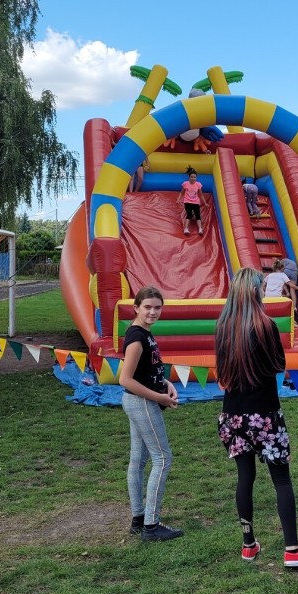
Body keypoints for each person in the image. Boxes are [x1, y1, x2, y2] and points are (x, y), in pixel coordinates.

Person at [214, 268, 298, 568]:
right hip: (264, 415)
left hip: (233, 416)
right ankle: (292, 549)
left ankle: (248, 544)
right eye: (262, 285)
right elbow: (278, 364)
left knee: (245, 478)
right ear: (254, 291)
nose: (266, 289)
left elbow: (221, 370)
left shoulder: (223, 326)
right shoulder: (265, 325)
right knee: (281, 480)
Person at [118, 286, 183, 542]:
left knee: (139, 461)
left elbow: (149, 369)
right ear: (136, 308)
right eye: (147, 307)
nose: (153, 312)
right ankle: (151, 525)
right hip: (141, 402)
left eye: (157, 307)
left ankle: (138, 518)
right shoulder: (137, 338)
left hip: (142, 401)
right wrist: (159, 398)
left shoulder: (145, 333)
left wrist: (166, 384)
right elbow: (125, 379)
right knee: (163, 459)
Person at [177, 166, 203, 235]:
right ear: (189, 177)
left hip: (196, 202)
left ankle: (200, 229)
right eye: (191, 177)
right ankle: (186, 229)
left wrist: (205, 203)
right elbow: (182, 192)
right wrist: (178, 199)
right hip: (187, 201)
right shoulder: (185, 184)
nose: (193, 178)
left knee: (198, 215)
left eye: (194, 177)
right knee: (189, 214)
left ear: (196, 178)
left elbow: (201, 194)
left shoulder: (198, 184)